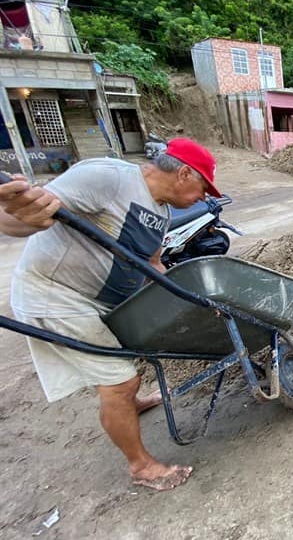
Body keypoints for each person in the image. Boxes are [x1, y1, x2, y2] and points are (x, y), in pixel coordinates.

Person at [0, 138, 221, 491]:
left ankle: (131, 404)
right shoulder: (107, 177)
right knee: (119, 381)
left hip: (100, 301)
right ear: (183, 174)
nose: (203, 198)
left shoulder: (161, 212)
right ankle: (141, 467)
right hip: (58, 296)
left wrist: (194, 300)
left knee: (130, 355)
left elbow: (151, 266)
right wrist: (20, 213)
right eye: (203, 189)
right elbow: (23, 216)